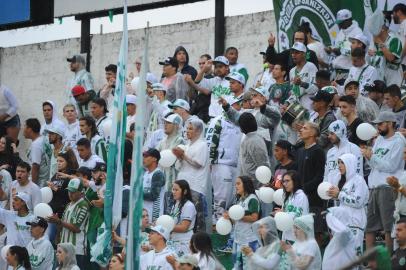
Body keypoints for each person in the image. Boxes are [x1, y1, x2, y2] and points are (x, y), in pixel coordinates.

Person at [362, 111, 406, 253]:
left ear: (390, 123)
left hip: (388, 187)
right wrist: (369, 157)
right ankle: (369, 261)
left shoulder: (399, 141)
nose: (378, 127)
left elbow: (392, 166)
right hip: (374, 186)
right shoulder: (379, 140)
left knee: (388, 227)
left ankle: (389, 260)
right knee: (370, 227)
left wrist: (372, 157)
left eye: (380, 124)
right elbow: (373, 163)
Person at [206, 96, 242, 222]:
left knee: (233, 196)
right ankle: (217, 223)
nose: (240, 106)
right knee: (221, 196)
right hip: (221, 164)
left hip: (235, 164)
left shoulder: (239, 123)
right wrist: (209, 161)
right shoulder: (218, 120)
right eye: (237, 104)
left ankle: (227, 224)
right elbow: (210, 141)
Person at [327, 153, 369, 256]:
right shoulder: (342, 181)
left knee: (354, 258)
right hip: (343, 225)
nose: (339, 165)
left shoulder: (359, 180)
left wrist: (339, 195)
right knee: (342, 258)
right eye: (338, 163)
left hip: (355, 225)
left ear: (351, 163)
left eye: (342, 163)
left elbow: (358, 202)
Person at [173, 119, 209, 232]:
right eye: (187, 128)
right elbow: (179, 166)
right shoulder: (187, 145)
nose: (187, 131)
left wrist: (183, 156)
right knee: (182, 216)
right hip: (183, 185)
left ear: (198, 131)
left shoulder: (202, 145)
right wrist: (179, 157)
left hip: (195, 186)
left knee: (197, 220)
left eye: (190, 129)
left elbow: (198, 164)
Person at [48, 178, 89, 268]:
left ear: (81, 192)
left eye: (73, 191)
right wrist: (57, 225)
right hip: (63, 248)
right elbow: (62, 225)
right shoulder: (68, 205)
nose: (70, 194)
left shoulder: (83, 205)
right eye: (69, 191)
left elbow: (76, 228)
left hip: (76, 250)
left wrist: (59, 221)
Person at [296, 122, 326, 243]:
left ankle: (317, 259)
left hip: (314, 199)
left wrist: (304, 188)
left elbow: (319, 176)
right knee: (302, 231)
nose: (301, 130)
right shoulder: (301, 151)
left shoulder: (318, 151)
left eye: (304, 128)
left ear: (313, 133)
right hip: (302, 197)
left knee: (315, 231)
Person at [224, 175, 260, 270]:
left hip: (249, 240)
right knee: (236, 266)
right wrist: (228, 217)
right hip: (238, 239)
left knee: (249, 267)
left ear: (246, 185)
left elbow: (254, 217)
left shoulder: (252, 199)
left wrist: (237, 216)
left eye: (238, 183)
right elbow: (236, 220)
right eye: (235, 184)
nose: (236, 186)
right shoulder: (239, 200)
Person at [47, 150, 78, 242]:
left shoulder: (71, 176)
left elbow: (70, 195)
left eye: (61, 161)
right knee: (51, 238)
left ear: (68, 162)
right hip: (52, 211)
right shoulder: (56, 175)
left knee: (56, 238)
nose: (58, 163)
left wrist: (56, 189)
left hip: (63, 213)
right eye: (57, 161)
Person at [367, 9, 403, 86]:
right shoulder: (374, 40)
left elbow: (391, 58)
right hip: (378, 80)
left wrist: (380, 43)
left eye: (377, 23)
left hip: (392, 81)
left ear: (384, 26)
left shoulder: (395, 40)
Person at [327, 9, 362, 82]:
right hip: (338, 71)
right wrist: (331, 50)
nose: (339, 25)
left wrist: (340, 50)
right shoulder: (341, 32)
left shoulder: (358, 33)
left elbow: (357, 52)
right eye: (339, 23)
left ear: (348, 20)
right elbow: (338, 51)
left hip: (348, 71)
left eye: (341, 22)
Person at [324, 120, 363, 187]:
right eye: (329, 134)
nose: (329, 136)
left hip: (347, 193)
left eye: (332, 133)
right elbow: (326, 174)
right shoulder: (330, 152)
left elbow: (358, 173)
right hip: (331, 193)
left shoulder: (353, 149)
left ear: (340, 133)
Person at [237, 112, 270, 187]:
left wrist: (263, 183)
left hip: (256, 185)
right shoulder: (248, 138)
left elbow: (263, 164)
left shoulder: (255, 141)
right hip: (247, 183)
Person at [156, 113, 184, 197]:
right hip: (161, 182)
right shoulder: (162, 141)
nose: (165, 125)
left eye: (168, 123)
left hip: (174, 183)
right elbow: (155, 155)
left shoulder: (180, 140)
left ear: (176, 125)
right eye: (165, 123)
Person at [278, 170, 309, 244]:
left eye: (287, 181)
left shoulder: (301, 196)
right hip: (287, 236)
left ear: (295, 181)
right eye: (283, 181)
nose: (285, 184)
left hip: (298, 238)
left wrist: (283, 214)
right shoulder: (287, 197)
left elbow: (298, 216)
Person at [168, 180, 196, 257]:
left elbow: (184, 227)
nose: (173, 192)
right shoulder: (176, 204)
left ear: (185, 191)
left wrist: (165, 226)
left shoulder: (189, 206)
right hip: (174, 241)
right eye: (173, 189)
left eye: (176, 190)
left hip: (184, 243)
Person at [289, 42, 318, 112]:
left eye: (297, 53)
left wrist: (301, 83)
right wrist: (287, 103)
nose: (293, 55)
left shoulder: (311, 66)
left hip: (310, 104)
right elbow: (293, 93)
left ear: (304, 54)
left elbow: (316, 88)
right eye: (292, 53)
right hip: (297, 107)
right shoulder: (292, 71)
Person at [23, 118, 51, 187]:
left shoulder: (36, 145)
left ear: (29, 129)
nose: (23, 130)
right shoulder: (44, 139)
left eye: (24, 127)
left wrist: (33, 187)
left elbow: (35, 167)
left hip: (39, 183)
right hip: (46, 180)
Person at [143, 148, 165, 223]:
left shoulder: (158, 174)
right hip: (144, 213)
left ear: (154, 159)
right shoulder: (145, 173)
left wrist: (136, 193)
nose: (144, 159)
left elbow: (153, 195)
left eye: (146, 156)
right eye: (144, 156)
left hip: (153, 215)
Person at [393, 3, 406, 69]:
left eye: (394, 13)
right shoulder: (402, 24)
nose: (392, 16)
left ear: (399, 12)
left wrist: (399, 57)